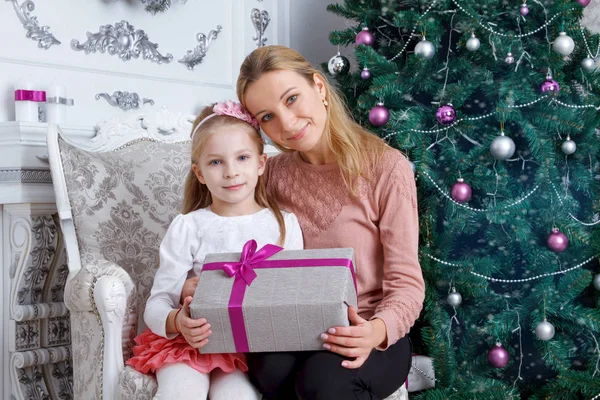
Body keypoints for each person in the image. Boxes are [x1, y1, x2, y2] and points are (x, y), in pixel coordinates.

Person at [236, 45, 425, 400]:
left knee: (321, 383)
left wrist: (376, 331)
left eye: (291, 99)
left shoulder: (387, 168)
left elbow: (406, 284)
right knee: (267, 368)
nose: (286, 124)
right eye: (267, 117)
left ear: (319, 88)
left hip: (369, 327)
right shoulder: (269, 174)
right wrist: (199, 281)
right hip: (296, 325)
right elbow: (229, 236)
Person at [126, 100, 304, 400]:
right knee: (182, 392)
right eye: (216, 162)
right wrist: (177, 322)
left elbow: (294, 297)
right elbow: (157, 302)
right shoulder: (189, 226)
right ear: (200, 173)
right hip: (189, 343)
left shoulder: (283, 225)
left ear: (261, 164)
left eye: (242, 158)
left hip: (246, 352)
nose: (231, 172)